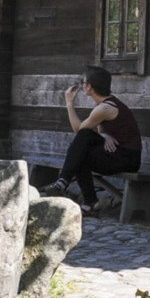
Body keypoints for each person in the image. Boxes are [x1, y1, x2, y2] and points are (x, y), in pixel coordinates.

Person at [53, 66, 141, 211]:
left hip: (128, 158)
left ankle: (66, 181)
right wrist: (105, 135)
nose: (82, 85)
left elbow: (79, 130)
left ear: (89, 88)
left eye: (84, 82)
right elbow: (100, 129)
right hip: (116, 151)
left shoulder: (104, 108)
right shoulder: (102, 104)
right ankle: (89, 202)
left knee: (83, 141)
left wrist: (69, 103)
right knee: (81, 152)